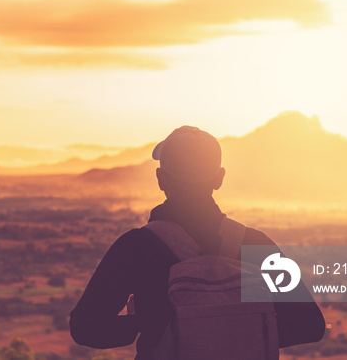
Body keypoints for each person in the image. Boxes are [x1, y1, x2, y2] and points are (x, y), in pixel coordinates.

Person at [69, 125, 325, 358]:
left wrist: (143, 323)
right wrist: (241, 328)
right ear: (219, 178)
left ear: (161, 178)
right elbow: (310, 325)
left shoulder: (136, 248)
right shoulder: (256, 245)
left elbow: (85, 328)